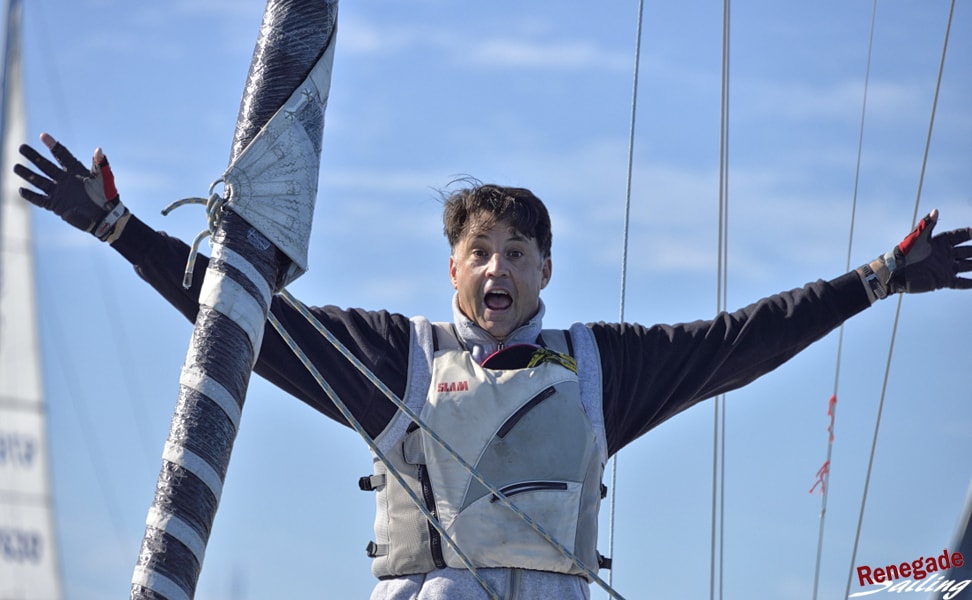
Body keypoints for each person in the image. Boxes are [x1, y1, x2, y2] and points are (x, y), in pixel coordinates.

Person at [14, 133, 972, 599]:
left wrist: (880, 277)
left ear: (547, 269)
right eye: (481, 250)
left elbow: (740, 341)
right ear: (453, 268)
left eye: (518, 251)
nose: (498, 267)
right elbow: (249, 322)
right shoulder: (401, 358)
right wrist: (121, 229)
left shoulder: (604, 369)